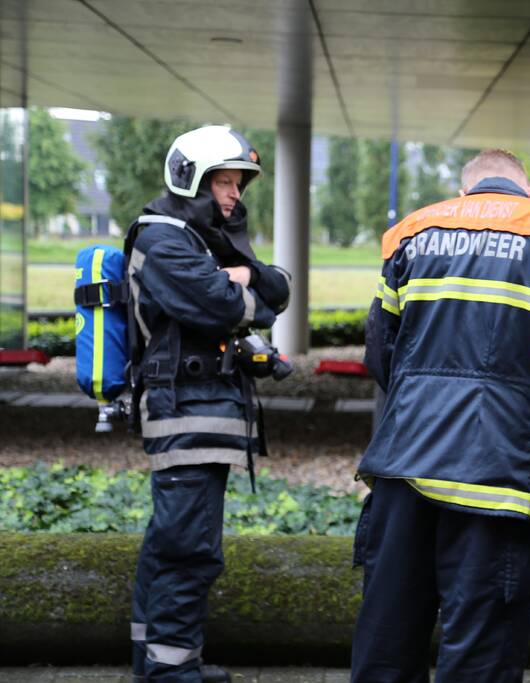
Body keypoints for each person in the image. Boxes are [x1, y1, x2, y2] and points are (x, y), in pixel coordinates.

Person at [352, 149, 530, 682]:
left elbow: (380, 351)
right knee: (480, 659)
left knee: (386, 647)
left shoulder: (414, 230)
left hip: (403, 473)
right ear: (526, 189)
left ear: (464, 194)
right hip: (498, 482)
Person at [127, 125, 291, 683]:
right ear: (190, 179)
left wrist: (250, 277)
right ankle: (171, 672)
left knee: (168, 544)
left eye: (239, 184)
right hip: (185, 413)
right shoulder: (163, 240)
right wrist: (252, 292)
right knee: (189, 549)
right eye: (224, 182)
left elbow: (278, 286)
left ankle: (155, 661)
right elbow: (226, 305)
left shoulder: (200, 238)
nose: (234, 194)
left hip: (202, 412)